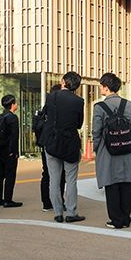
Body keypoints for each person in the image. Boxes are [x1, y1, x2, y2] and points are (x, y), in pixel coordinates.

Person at [92, 72, 131, 229]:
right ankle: (126, 218)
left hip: (108, 150)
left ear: (106, 87)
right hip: (126, 149)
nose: (101, 88)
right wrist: (130, 144)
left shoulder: (99, 107)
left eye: (101, 86)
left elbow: (96, 131)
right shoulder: (129, 105)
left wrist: (96, 149)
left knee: (111, 184)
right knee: (126, 183)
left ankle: (116, 219)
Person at [42, 71, 85, 223]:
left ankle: (58, 212)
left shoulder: (51, 97)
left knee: (54, 178)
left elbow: (45, 115)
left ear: (63, 81)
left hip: (52, 141)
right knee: (71, 179)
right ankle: (71, 212)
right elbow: (79, 124)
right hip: (70, 143)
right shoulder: (79, 101)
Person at [34, 84, 65, 212]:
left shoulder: (43, 110)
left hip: (45, 145)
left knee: (47, 173)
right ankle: (58, 201)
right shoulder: (56, 111)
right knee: (59, 174)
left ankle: (47, 202)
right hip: (57, 144)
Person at [0, 94, 22, 208]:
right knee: (10, 174)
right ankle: (8, 199)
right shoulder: (13, 118)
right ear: (12, 105)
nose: (17, 104)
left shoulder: (1, 116)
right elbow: (14, 137)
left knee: (0, 173)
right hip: (9, 150)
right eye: (16, 103)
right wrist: (14, 152)